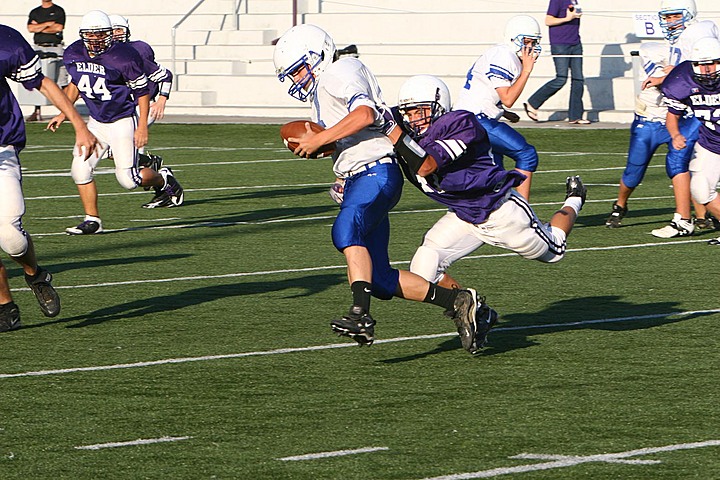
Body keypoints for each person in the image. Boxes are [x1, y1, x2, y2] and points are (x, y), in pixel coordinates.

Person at [273, 24, 497, 355]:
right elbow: (353, 130)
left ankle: (360, 315)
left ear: (316, 56)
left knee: (346, 229)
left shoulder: (340, 69)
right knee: (379, 278)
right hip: (360, 177)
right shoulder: (329, 83)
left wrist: (320, 138)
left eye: (298, 71)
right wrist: (331, 147)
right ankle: (462, 302)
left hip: (375, 173)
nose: (297, 80)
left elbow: (365, 113)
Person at [389, 75, 586, 347]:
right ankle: (474, 310)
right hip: (463, 215)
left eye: (419, 110)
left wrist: (391, 130)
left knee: (556, 249)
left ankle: (574, 198)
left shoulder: (459, 123)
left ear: (437, 106)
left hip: (500, 212)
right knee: (424, 268)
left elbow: (427, 165)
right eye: (408, 112)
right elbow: (371, 118)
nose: (412, 119)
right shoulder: (406, 130)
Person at [47, 10, 184, 235]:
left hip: (122, 121)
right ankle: (93, 220)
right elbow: (75, 84)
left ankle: (163, 180)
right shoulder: (73, 52)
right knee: (80, 170)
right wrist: (63, 112)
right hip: (96, 122)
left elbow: (141, 93)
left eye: (99, 34)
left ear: (109, 34)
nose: (94, 39)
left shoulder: (124, 56)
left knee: (129, 180)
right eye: (89, 34)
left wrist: (141, 127)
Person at [0, 24, 97, 331]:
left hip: (0, 148)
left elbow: (43, 84)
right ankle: (6, 308)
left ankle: (34, 273)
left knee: (10, 236)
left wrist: (79, 124)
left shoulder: (6, 42)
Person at [610, 0, 720, 237]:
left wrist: (666, 78)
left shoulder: (699, 33)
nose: (670, 22)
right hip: (694, 110)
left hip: (703, 109)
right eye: (667, 17)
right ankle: (689, 218)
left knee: (683, 162)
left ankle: (690, 218)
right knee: (688, 167)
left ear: (688, 15)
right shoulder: (674, 42)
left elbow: (703, 69)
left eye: (675, 16)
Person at [454, 15, 543, 200]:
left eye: (534, 42)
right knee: (527, 154)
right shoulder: (504, 56)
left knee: (495, 172)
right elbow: (508, 97)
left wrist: (504, 112)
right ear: (513, 38)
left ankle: (496, 213)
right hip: (474, 120)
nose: (531, 47)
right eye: (527, 41)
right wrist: (526, 71)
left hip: (472, 117)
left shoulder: (502, 54)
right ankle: (524, 212)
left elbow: (489, 93)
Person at [109, 14, 175, 209]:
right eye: (112, 30)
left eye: (119, 30)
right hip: (121, 109)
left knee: (124, 159)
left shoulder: (137, 50)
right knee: (112, 153)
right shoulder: (106, 54)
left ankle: (166, 186)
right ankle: (153, 167)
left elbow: (165, 75)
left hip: (141, 107)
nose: (115, 34)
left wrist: (162, 98)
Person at [662, 36, 720, 246]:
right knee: (701, 189)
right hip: (712, 141)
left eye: (712, 62)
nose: (706, 70)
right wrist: (676, 134)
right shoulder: (682, 80)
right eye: (701, 64)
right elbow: (672, 113)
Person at [524, 0, 589, 124]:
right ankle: (532, 103)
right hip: (560, 44)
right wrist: (567, 18)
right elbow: (548, 20)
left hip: (575, 43)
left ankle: (575, 116)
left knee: (578, 79)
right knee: (561, 78)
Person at [26, 0, 66, 122]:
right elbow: (30, 28)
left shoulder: (58, 11)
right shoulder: (35, 12)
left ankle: (65, 111)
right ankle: (37, 111)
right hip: (39, 47)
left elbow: (58, 27)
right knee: (37, 78)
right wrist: (48, 24)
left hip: (55, 47)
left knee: (61, 79)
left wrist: (39, 26)